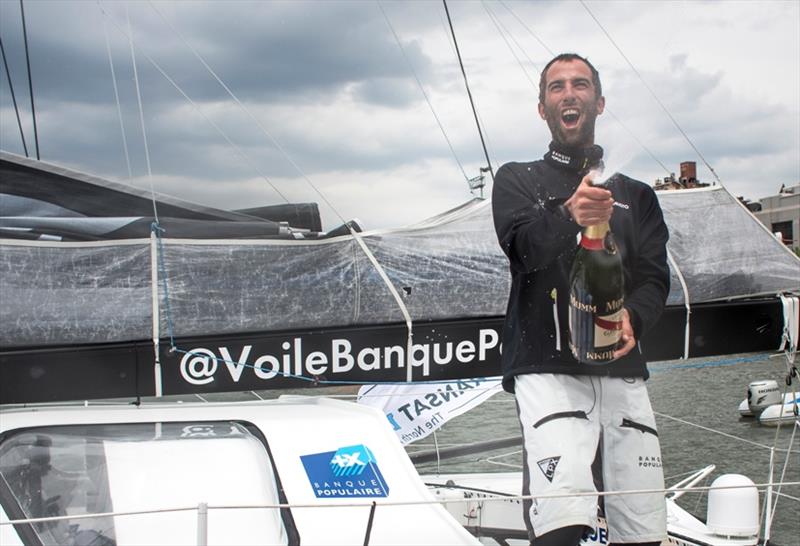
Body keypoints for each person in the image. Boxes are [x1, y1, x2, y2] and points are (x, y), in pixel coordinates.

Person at [491, 53, 670, 546]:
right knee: (561, 526)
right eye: (556, 87)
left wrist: (634, 317)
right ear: (543, 108)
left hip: (621, 367)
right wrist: (569, 213)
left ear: (599, 101)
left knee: (644, 530)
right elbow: (521, 249)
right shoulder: (516, 179)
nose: (569, 93)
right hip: (546, 369)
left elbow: (655, 279)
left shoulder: (638, 194)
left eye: (581, 84)